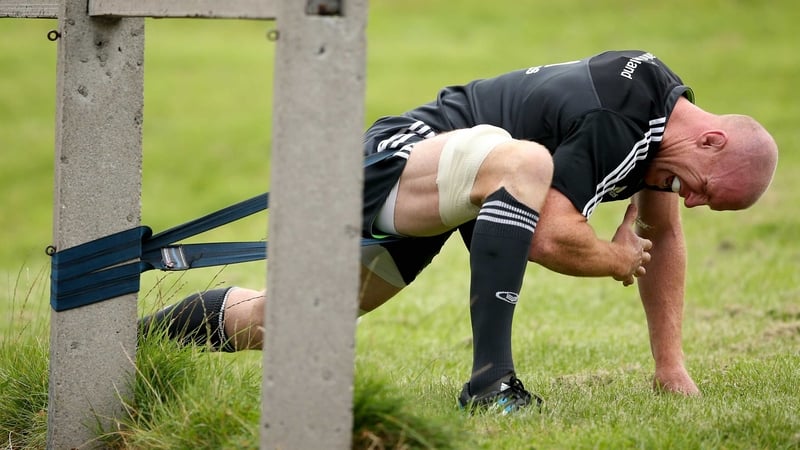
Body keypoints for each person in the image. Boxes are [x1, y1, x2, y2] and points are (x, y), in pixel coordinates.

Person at [139, 50, 778, 414]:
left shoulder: (661, 135)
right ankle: (490, 382)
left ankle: (127, 342)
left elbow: (661, 236)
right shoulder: (622, 113)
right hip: (402, 159)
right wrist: (612, 257)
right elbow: (548, 235)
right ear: (713, 139)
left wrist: (671, 366)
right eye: (704, 190)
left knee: (292, 321)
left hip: (462, 188)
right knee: (525, 159)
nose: (692, 201)